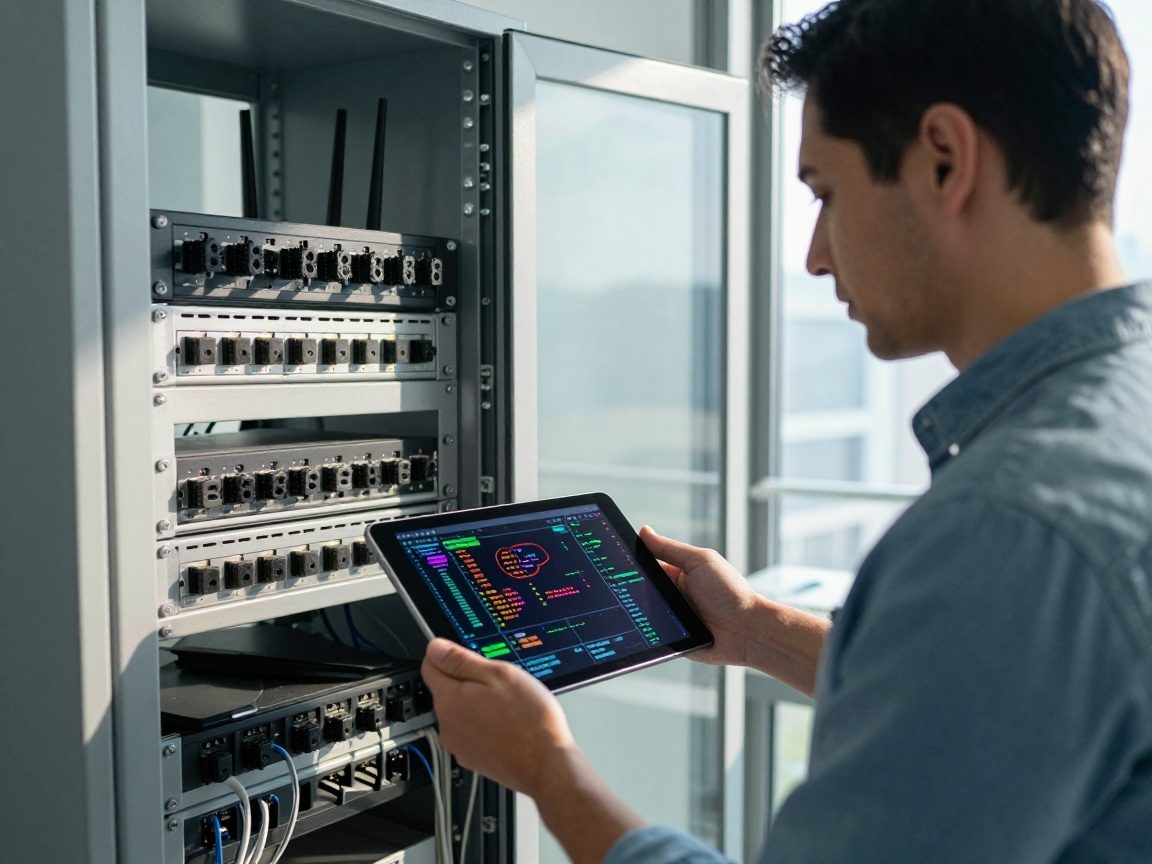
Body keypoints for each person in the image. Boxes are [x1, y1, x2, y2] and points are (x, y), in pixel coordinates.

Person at [422, 0, 1152, 860]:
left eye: (826, 192)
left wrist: (547, 770)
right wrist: (759, 629)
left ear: (946, 160)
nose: (813, 254)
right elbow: (1023, 703)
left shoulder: (1009, 527)